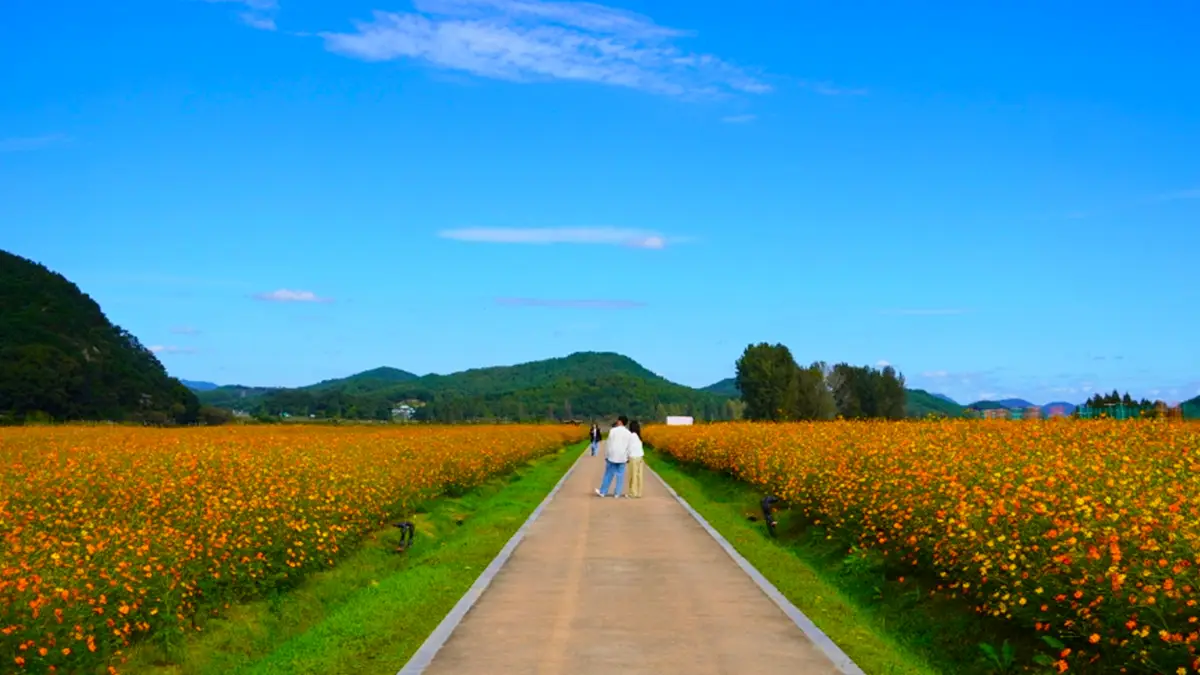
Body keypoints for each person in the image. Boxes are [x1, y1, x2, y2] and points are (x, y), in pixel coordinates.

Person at [595, 415, 631, 498]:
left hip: (613, 455)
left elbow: (609, 443)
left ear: (620, 421)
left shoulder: (613, 431)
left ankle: (603, 491)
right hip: (623, 456)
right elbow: (629, 446)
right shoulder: (628, 433)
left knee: (608, 474)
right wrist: (628, 456)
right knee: (620, 476)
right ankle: (617, 493)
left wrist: (607, 454)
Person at [626, 420, 645, 498]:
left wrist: (626, 457)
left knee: (632, 475)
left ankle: (633, 493)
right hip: (640, 457)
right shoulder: (638, 436)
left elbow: (628, 447)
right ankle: (639, 493)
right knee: (639, 475)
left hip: (633, 457)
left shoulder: (631, 436)